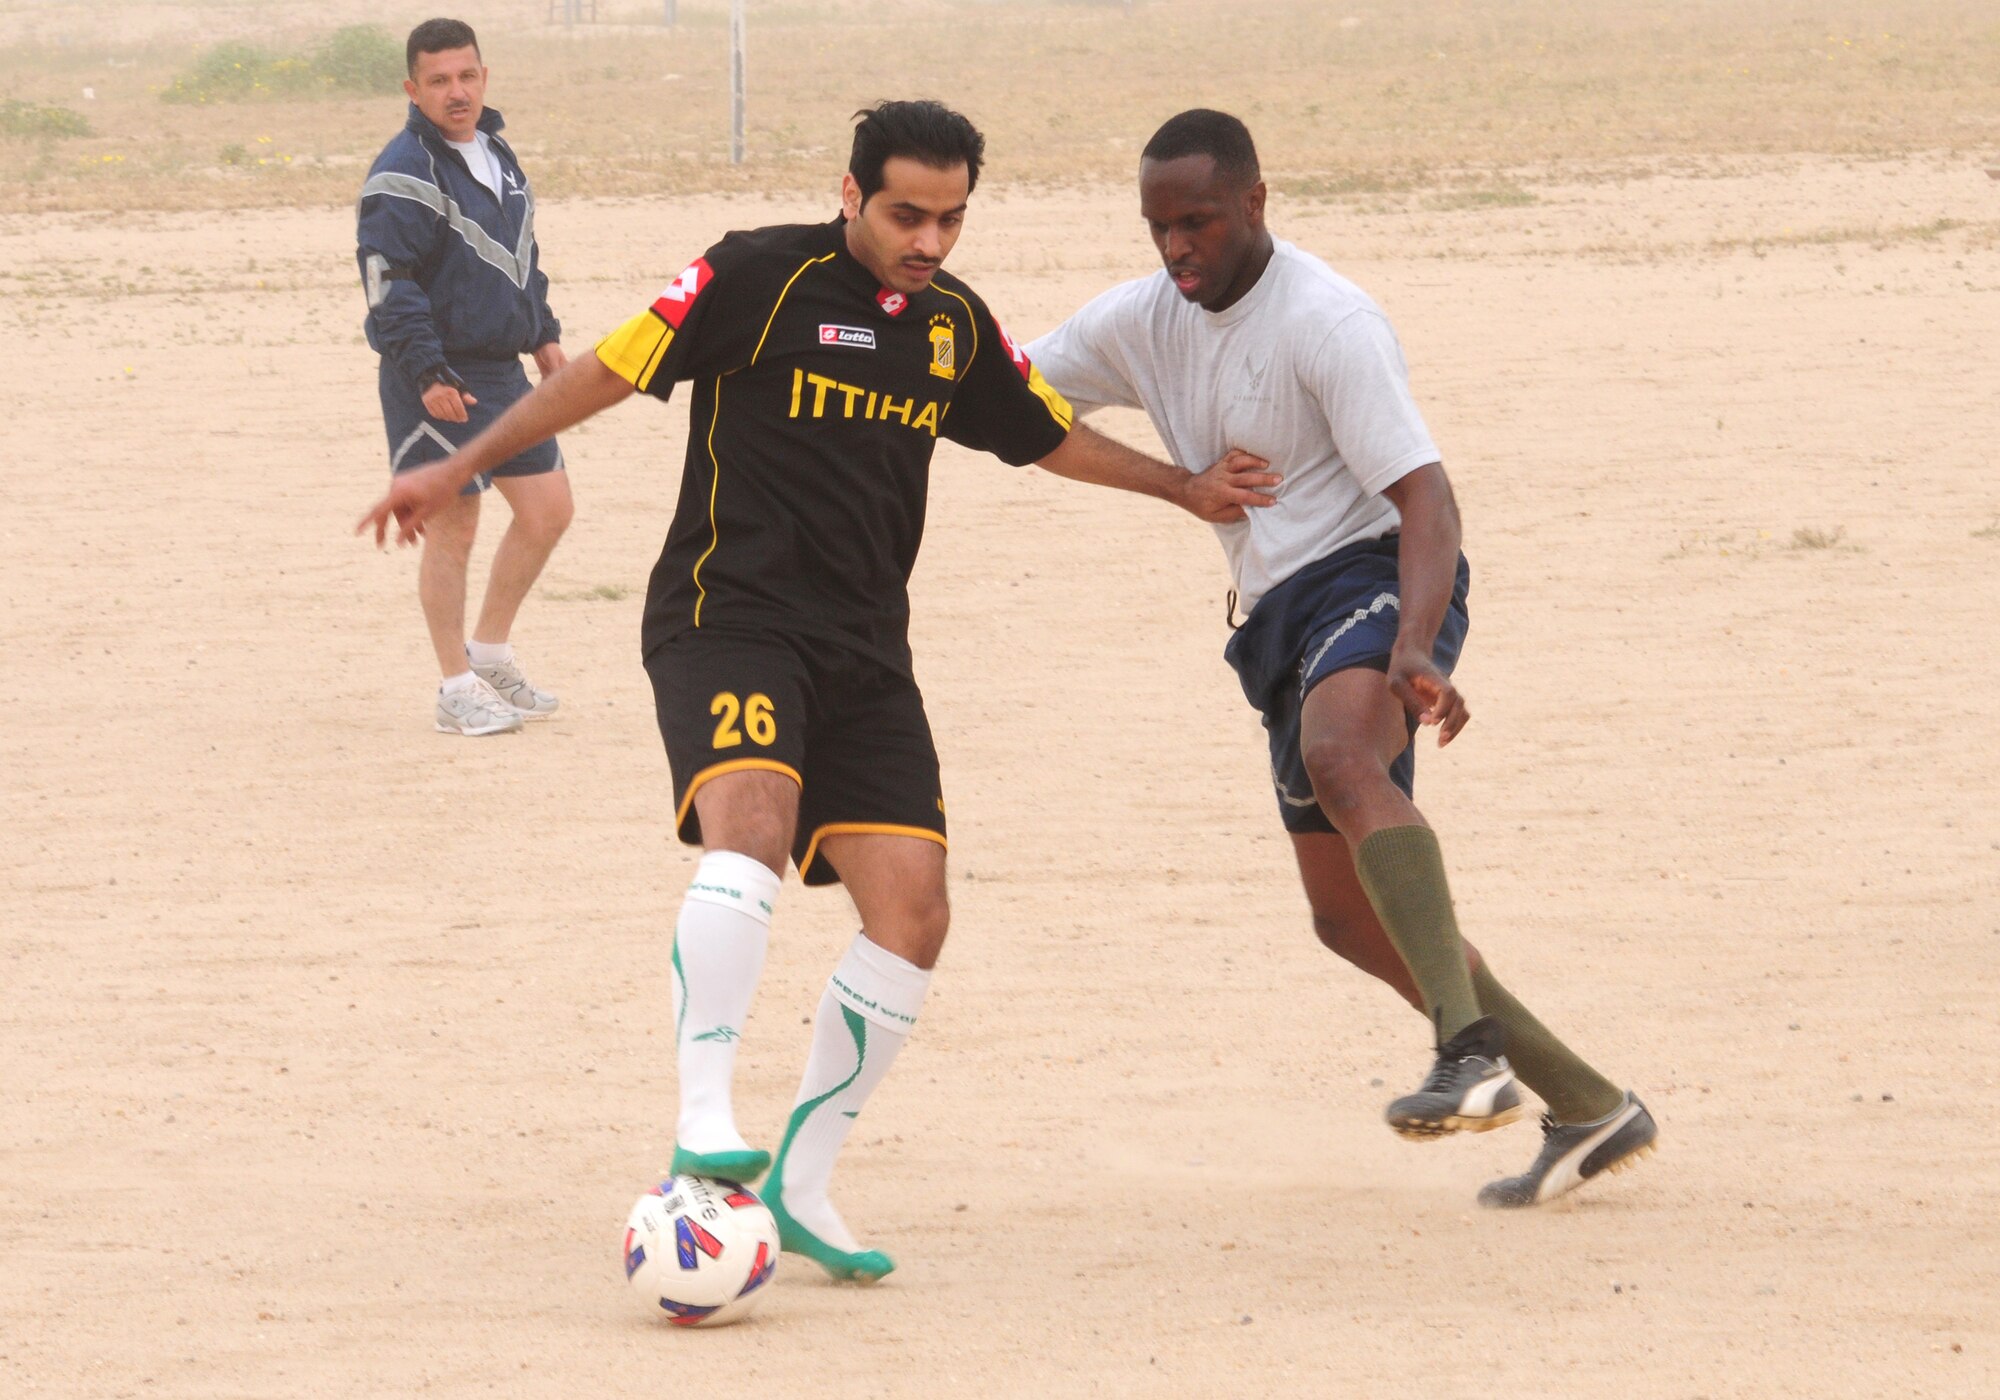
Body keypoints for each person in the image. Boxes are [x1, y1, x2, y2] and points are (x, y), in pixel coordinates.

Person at [358, 101, 1270, 1278]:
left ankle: (801, 1177)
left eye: (948, 217)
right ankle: (703, 1118)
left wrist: (1183, 488)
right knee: (750, 830)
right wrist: (461, 463)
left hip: (863, 651)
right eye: (905, 214)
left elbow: (1040, 434)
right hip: (725, 616)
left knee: (913, 910)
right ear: (850, 195)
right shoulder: (753, 275)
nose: (928, 239)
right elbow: (603, 371)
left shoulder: (950, 328)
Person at [1025, 109, 1657, 1207]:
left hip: (1374, 573)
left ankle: (1467, 1051)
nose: (1177, 246)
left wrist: (1414, 638)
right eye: (1158, 226)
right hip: (1275, 618)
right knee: (1346, 916)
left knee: (1341, 756)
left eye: (1199, 221)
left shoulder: (1328, 320)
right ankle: (1587, 1100)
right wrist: (1172, 483)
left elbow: (1425, 496)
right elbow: (1006, 397)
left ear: (1256, 202)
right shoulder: (1138, 319)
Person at [358, 17, 573, 736]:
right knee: (457, 524)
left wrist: (542, 334)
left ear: (484, 76)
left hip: (502, 368)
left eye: (468, 75)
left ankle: (488, 653)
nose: (457, 91)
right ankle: (455, 687)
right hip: (435, 372)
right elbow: (391, 283)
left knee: (548, 512)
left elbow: (520, 254)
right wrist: (425, 372)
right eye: (441, 80)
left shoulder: (497, 155)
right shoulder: (401, 172)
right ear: (412, 88)